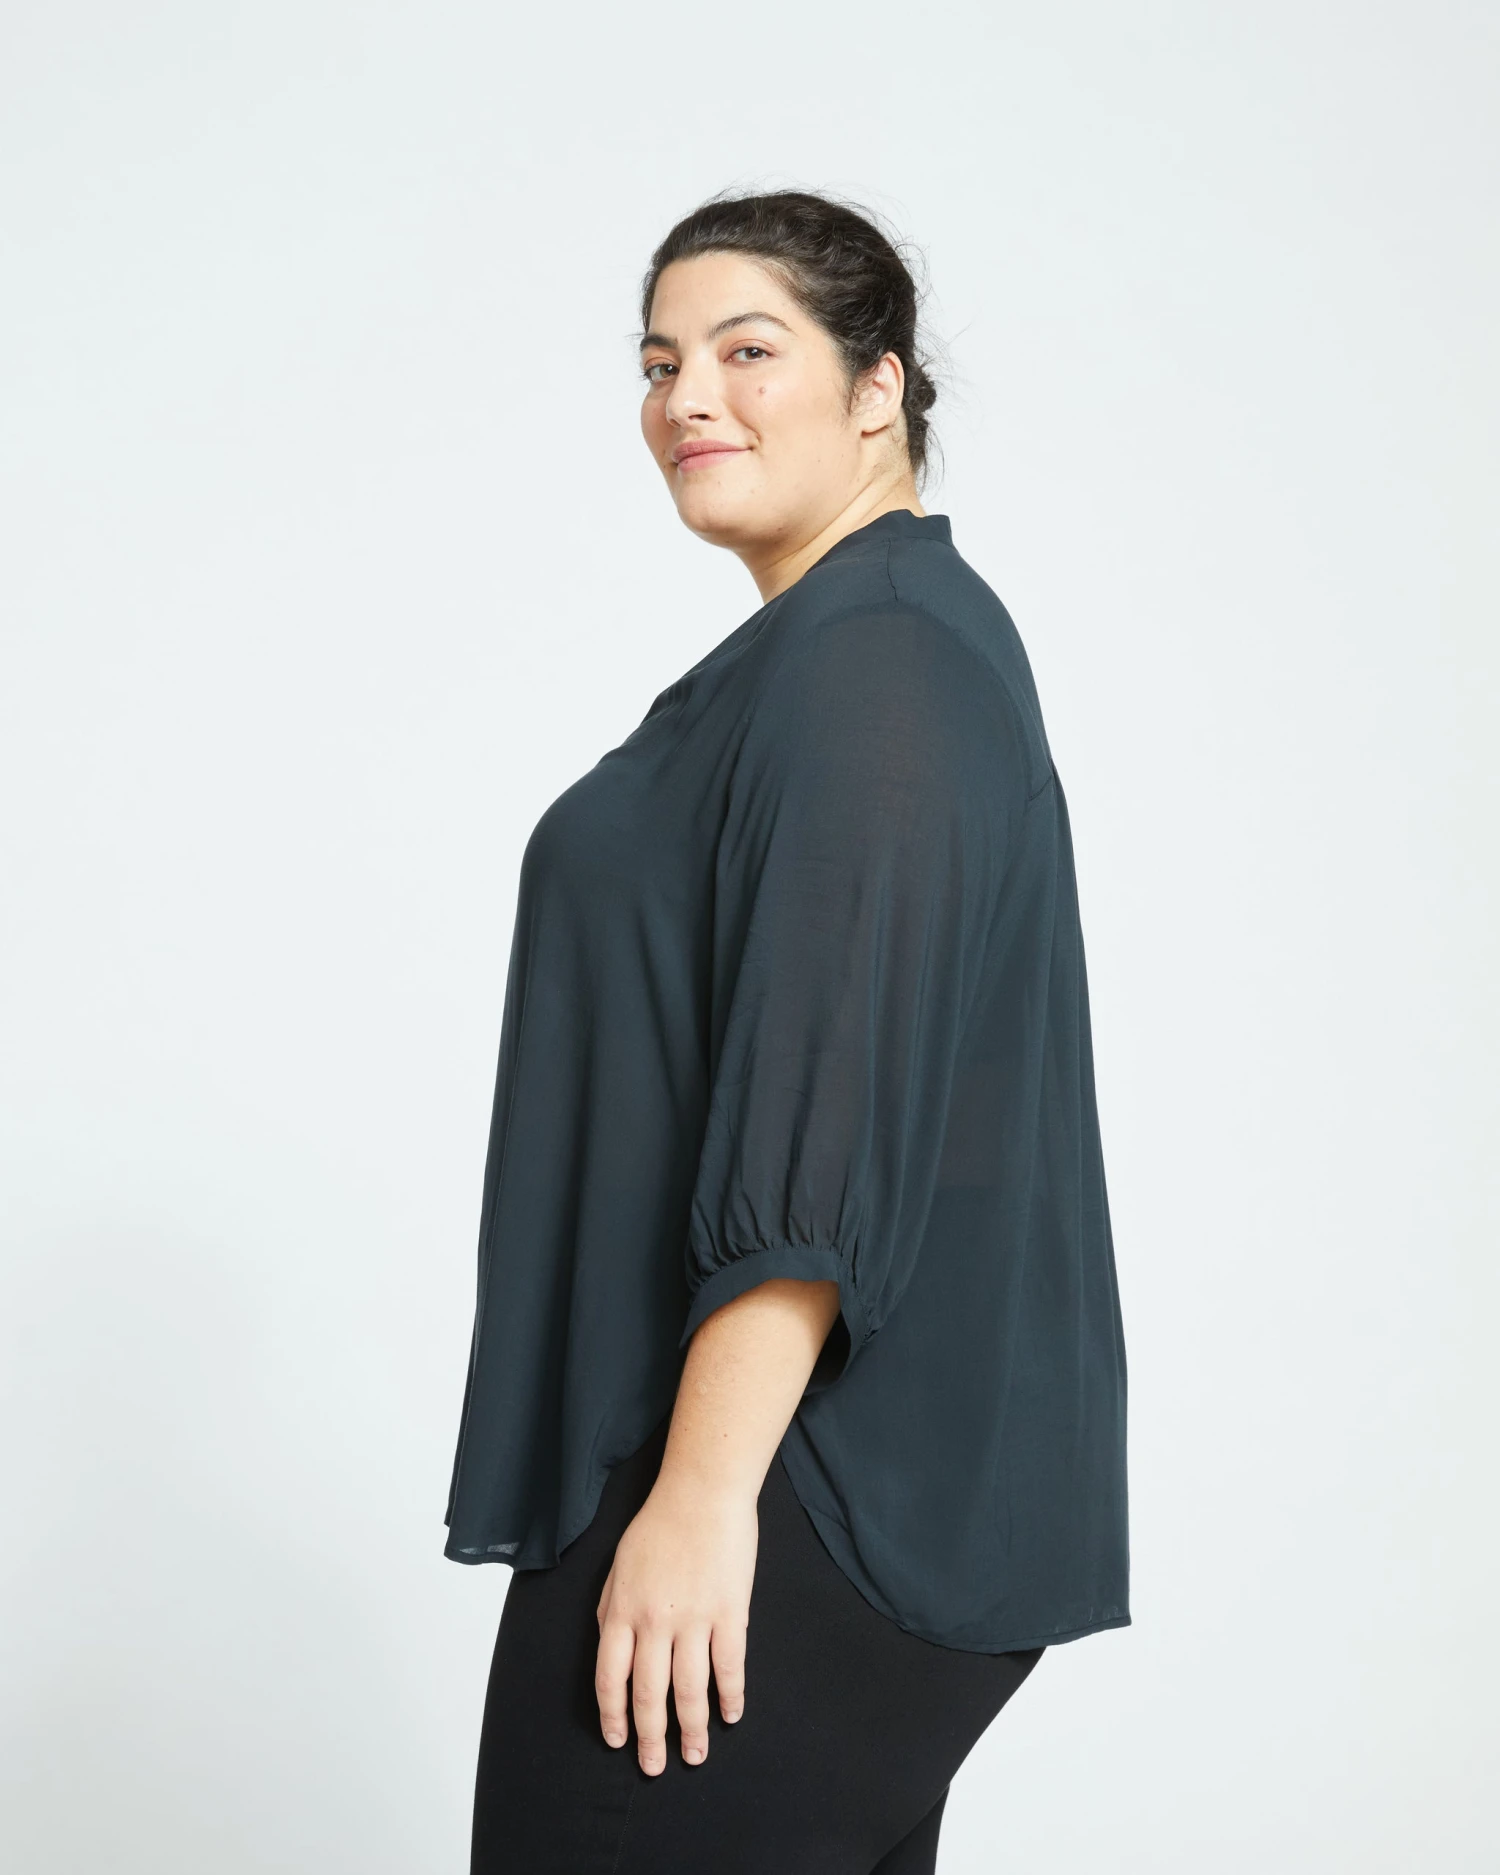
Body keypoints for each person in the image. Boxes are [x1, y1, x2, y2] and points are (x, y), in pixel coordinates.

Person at [443, 188, 1130, 1874]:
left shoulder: (879, 659)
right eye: (660, 361)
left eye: (748, 351)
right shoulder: (833, 652)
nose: (690, 397)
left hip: (792, 1479)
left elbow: (818, 1125)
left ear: (878, 386)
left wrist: (699, 1502)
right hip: (799, 1471)